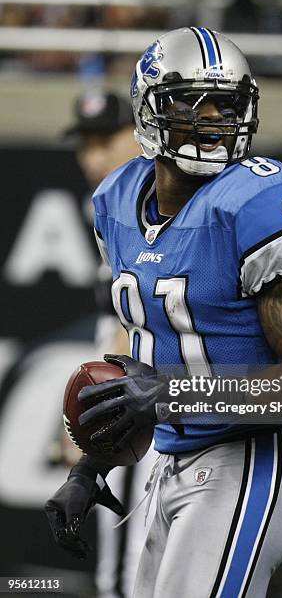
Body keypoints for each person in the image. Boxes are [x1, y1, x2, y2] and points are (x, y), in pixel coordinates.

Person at [46, 27, 282, 598]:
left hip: (251, 454)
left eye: (225, 104)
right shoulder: (116, 199)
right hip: (174, 461)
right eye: (190, 102)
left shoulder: (252, 201)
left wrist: (168, 396)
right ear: (149, 107)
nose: (211, 119)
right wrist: (90, 467)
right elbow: (142, 361)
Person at [62, 90, 158, 598]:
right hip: (157, 404)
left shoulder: (156, 206)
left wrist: (94, 430)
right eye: (85, 143)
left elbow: (133, 329)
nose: (94, 156)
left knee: (126, 579)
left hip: (150, 410)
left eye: (107, 140)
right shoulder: (114, 208)